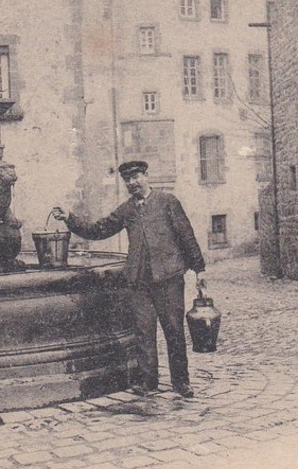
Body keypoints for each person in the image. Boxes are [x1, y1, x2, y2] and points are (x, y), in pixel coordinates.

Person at [52, 160, 206, 397]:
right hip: (139, 281)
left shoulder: (168, 202)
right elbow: (99, 229)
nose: (132, 183)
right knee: (143, 333)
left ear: (146, 176)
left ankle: (181, 382)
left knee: (173, 330)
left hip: (169, 278)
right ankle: (148, 383)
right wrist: (69, 219)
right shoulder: (126, 210)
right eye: (127, 180)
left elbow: (186, 235)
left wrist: (199, 270)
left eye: (136, 177)